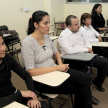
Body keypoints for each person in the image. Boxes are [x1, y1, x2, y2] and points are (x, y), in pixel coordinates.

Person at [21, 10, 93, 108]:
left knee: (86, 78)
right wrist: (57, 68)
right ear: (36, 24)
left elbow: (57, 53)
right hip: (41, 79)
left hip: (56, 70)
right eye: (45, 23)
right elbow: (30, 71)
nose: (49, 26)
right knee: (80, 86)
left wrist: (59, 65)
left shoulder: (46, 37)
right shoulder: (27, 43)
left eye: (49, 23)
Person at [58, 15, 108, 93]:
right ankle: (88, 96)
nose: (79, 26)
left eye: (78, 23)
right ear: (69, 27)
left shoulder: (80, 31)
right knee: (88, 77)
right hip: (73, 59)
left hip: (85, 55)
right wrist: (86, 49)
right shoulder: (64, 35)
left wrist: (89, 48)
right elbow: (69, 50)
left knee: (104, 63)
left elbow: (87, 41)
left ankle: (98, 82)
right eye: (76, 24)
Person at [0, 34, 49, 108]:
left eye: (2, 43)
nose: (3, 48)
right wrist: (21, 94)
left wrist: (32, 96)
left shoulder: (7, 58)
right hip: (6, 102)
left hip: (14, 95)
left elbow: (26, 76)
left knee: (44, 106)